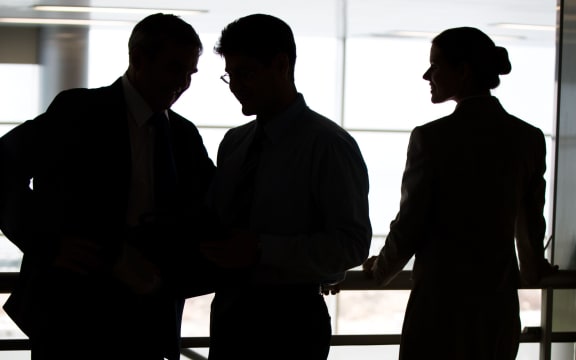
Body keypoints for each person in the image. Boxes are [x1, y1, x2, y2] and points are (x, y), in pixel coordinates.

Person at [0, 13, 216, 360]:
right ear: (138, 60)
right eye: (174, 68)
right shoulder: (78, 112)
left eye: (189, 73)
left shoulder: (182, 135)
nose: (182, 83)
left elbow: (209, 211)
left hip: (146, 320)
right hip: (73, 316)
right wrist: (48, 243)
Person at [362, 27, 558, 360]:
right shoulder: (528, 137)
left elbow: (410, 224)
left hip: (441, 309)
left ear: (463, 71)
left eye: (435, 65)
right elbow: (530, 225)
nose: (427, 74)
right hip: (498, 310)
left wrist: (378, 272)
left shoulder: (432, 138)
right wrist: (534, 269)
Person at [200, 13, 372, 360]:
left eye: (245, 74)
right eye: (229, 76)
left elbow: (352, 245)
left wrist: (263, 249)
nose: (235, 86)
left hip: (291, 321)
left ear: (281, 65)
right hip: (229, 313)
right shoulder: (234, 142)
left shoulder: (329, 145)